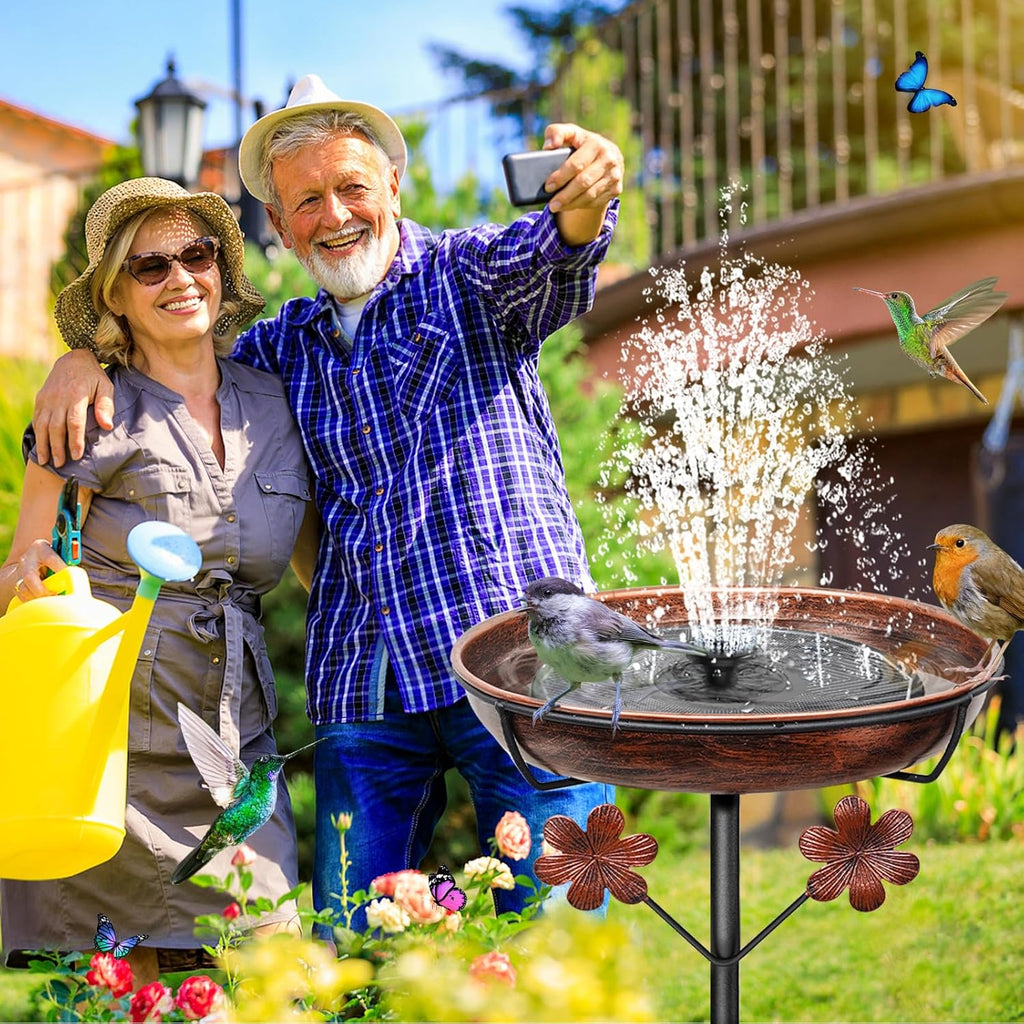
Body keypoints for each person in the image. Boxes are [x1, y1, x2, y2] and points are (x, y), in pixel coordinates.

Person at [30, 74, 622, 931]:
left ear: (393, 186)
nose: (335, 214)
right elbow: (170, 339)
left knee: (558, 934)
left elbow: (557, 256)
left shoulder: (472, 276)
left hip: (518, 664)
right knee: (352, 948)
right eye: (307, 200)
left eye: (352, 186)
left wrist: (586, 199)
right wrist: (81, 357)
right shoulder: (279, 349)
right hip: (365, 679)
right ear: (278, 224)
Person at [3, 177, 318, 982]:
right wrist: (32, 574)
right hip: (114, 736)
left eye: (197, 255)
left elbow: (316, 565)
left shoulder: (275, 402)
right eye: (150, 266)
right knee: (129, 986)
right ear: (115, 294)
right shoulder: (90, 407)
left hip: (233, 732)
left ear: (221, 269)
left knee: (267, 959)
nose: (181, 277)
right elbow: (22, 566)